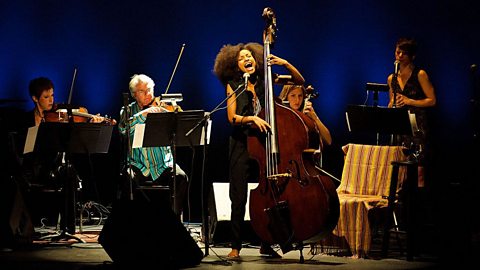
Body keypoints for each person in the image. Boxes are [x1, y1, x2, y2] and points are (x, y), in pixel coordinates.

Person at [213, 42, 305, 258]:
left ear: (256, 60)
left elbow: (299, 82)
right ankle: (236, 246)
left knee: (270, 192)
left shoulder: (266, 81)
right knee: (239, 194)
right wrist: (252, 118)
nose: (247, 59)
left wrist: (284, 63)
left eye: (250, 56)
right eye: (242, 57)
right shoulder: (233, 84)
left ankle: (267, 242)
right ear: (236, 66)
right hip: (241, 143)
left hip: (263, 143)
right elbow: (231, 118)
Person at [118, 74, 189, 218]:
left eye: (150, 89)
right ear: (134, 95)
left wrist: (173, 114)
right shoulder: (127, 111)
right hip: (138, 165)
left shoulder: (162, 108)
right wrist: (143, 115)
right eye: (142, 91)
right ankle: (132, 223)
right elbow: (123, 131)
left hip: (163, 164)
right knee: (126, 179)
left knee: (181, 177)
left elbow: (182, 126)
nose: (148, 94)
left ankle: (173, 222)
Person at [387, 37, 436, 188]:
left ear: (411, 56)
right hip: (399, 125)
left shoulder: (420, 74)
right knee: (399, 164)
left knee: (419, 167)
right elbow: (391, 100)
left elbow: (432, 100)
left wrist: (410, 101)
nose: (399, 55)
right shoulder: (392, 78)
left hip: (417, 125)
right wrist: (391, 106)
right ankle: (400, 198)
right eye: (397, 52)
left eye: (404, 53)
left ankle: (419, 201)